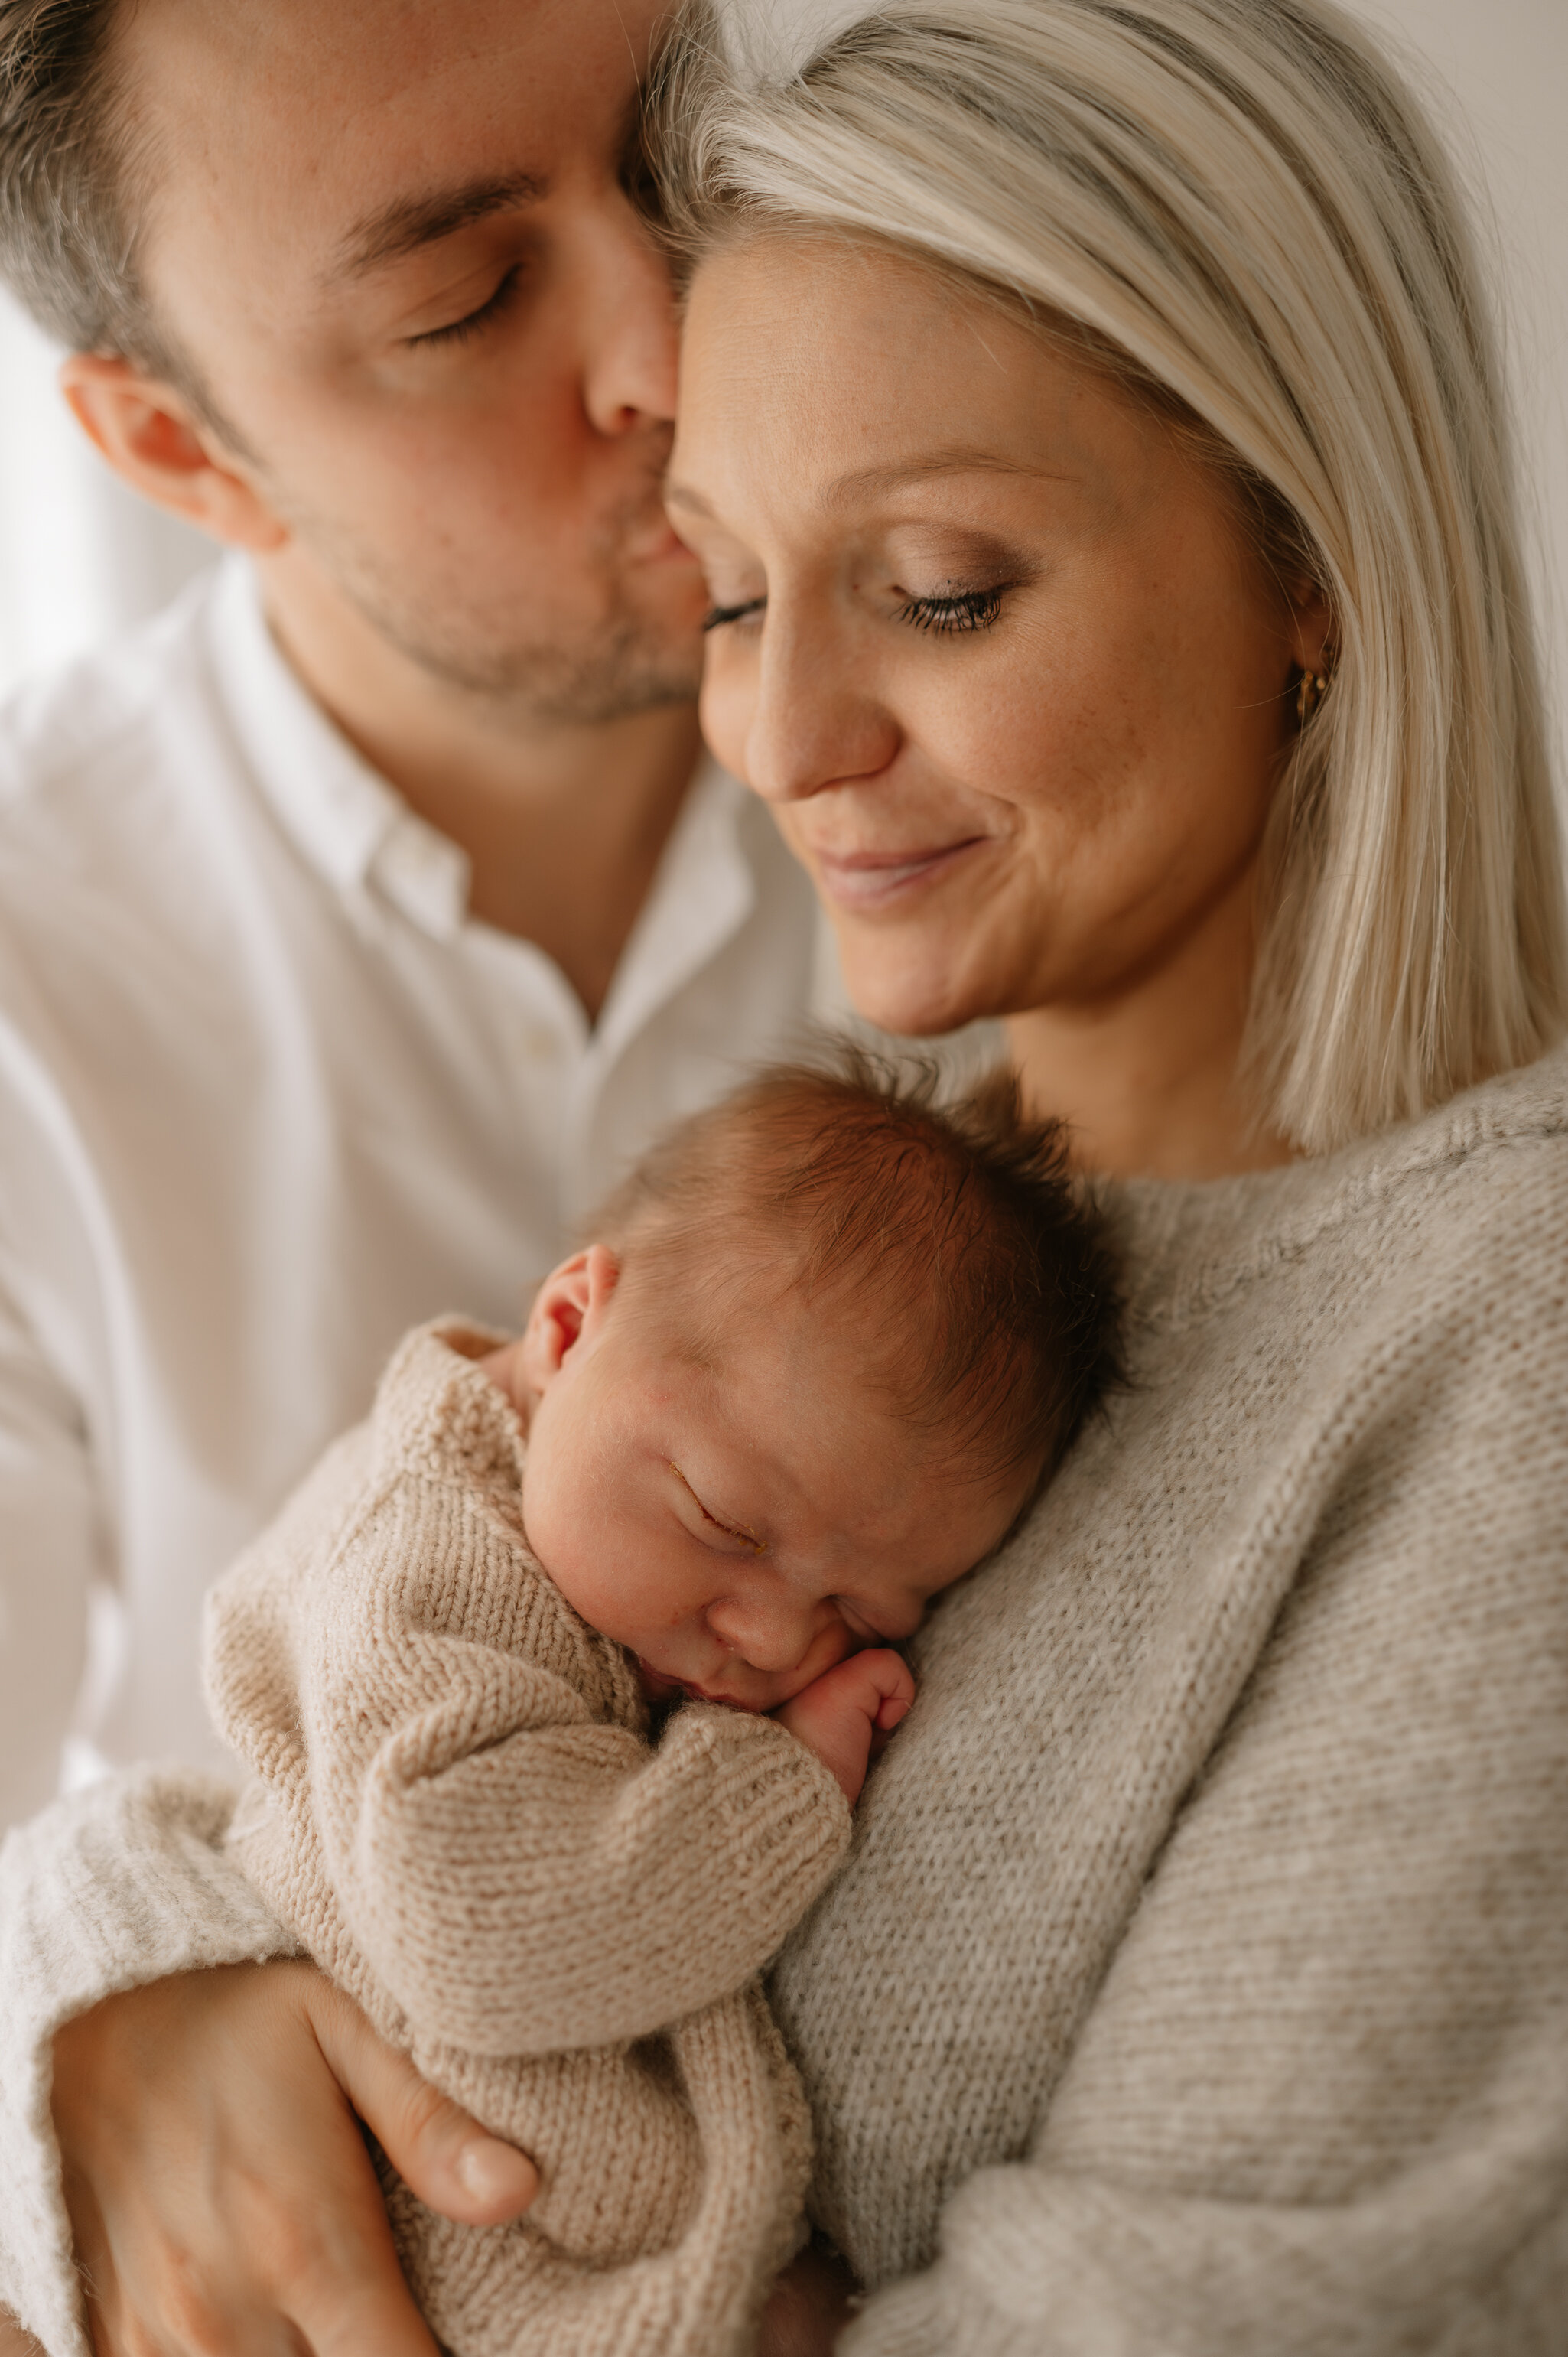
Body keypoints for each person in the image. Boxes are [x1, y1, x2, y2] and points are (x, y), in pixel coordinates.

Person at [3, 0, 1566, 2351]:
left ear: (1310, 562)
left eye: (940, 587)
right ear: (173, 445)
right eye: (732, 596)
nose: (779, 738)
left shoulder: (1461, 1323)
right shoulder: (902, 1134)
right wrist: (97, 2005)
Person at [0, 0, 852, 1838]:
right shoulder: (29, 974)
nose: (672, 344)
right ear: (180, 454)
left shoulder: (1055, 755)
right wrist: (89, 2016)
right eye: (465, 301)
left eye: (675, 152)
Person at [200, 1058, 1118, 2356]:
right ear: (569, 1327)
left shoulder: (580, 1534)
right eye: (724, 1523)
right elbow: (477, 1924)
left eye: (861, 1618)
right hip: (413, 2257)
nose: (770, 1640)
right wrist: (779, 1789)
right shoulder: (429, 1557)